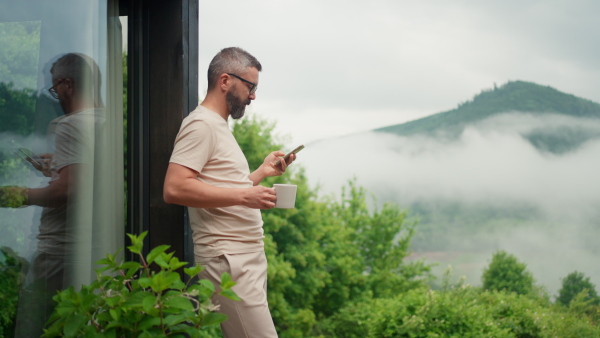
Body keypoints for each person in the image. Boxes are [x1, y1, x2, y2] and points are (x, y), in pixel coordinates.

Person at [163, 47, 295, 337]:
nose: (253, 95)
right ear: (225, 81)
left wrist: (261, 173)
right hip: (228, 259)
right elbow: (174, 188)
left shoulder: (217, 126)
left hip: (243, 258)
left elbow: (223, 188)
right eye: (250, 86)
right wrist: (245, 196)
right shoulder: (201, 125)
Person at [0, 52, 106, 336]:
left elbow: (67, 190)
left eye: (54, 87)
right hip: (96, 252)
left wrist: (16, 195)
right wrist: (57, 166)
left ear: (68, 85)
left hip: (60, 255)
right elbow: (89, 178)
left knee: (38, 329)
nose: (55, 94)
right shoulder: (106, 122)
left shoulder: (70, 125)